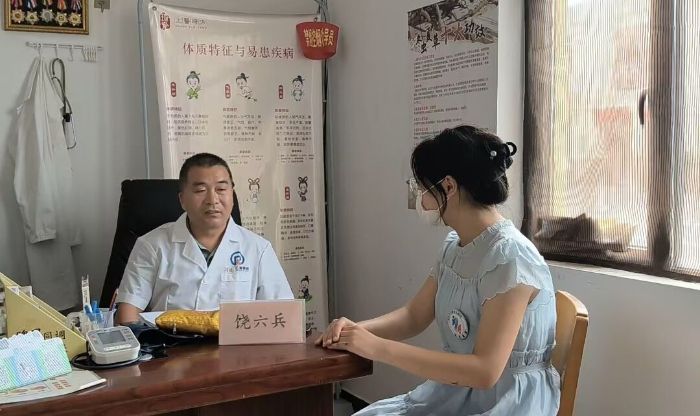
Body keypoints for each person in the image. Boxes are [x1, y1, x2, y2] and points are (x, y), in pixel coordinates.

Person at [317, 126, 560, 415]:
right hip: (461, 392)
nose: (421, 200)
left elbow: (485, 371)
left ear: (448, 187)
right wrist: (355, 331)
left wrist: (377, 348)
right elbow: (414, 315)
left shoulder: (510, 258)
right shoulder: (455, 246)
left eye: (422, 189)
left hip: (506, 401)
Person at [115, 153, 293, 324]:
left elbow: (283, 315)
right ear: (182, 200)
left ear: (232, 195)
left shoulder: (258, 249)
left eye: (221, 189)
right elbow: (127, 315)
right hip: (169, 344)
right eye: (200, 190)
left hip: (238, 345)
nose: (212, 200)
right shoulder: (152, 245)